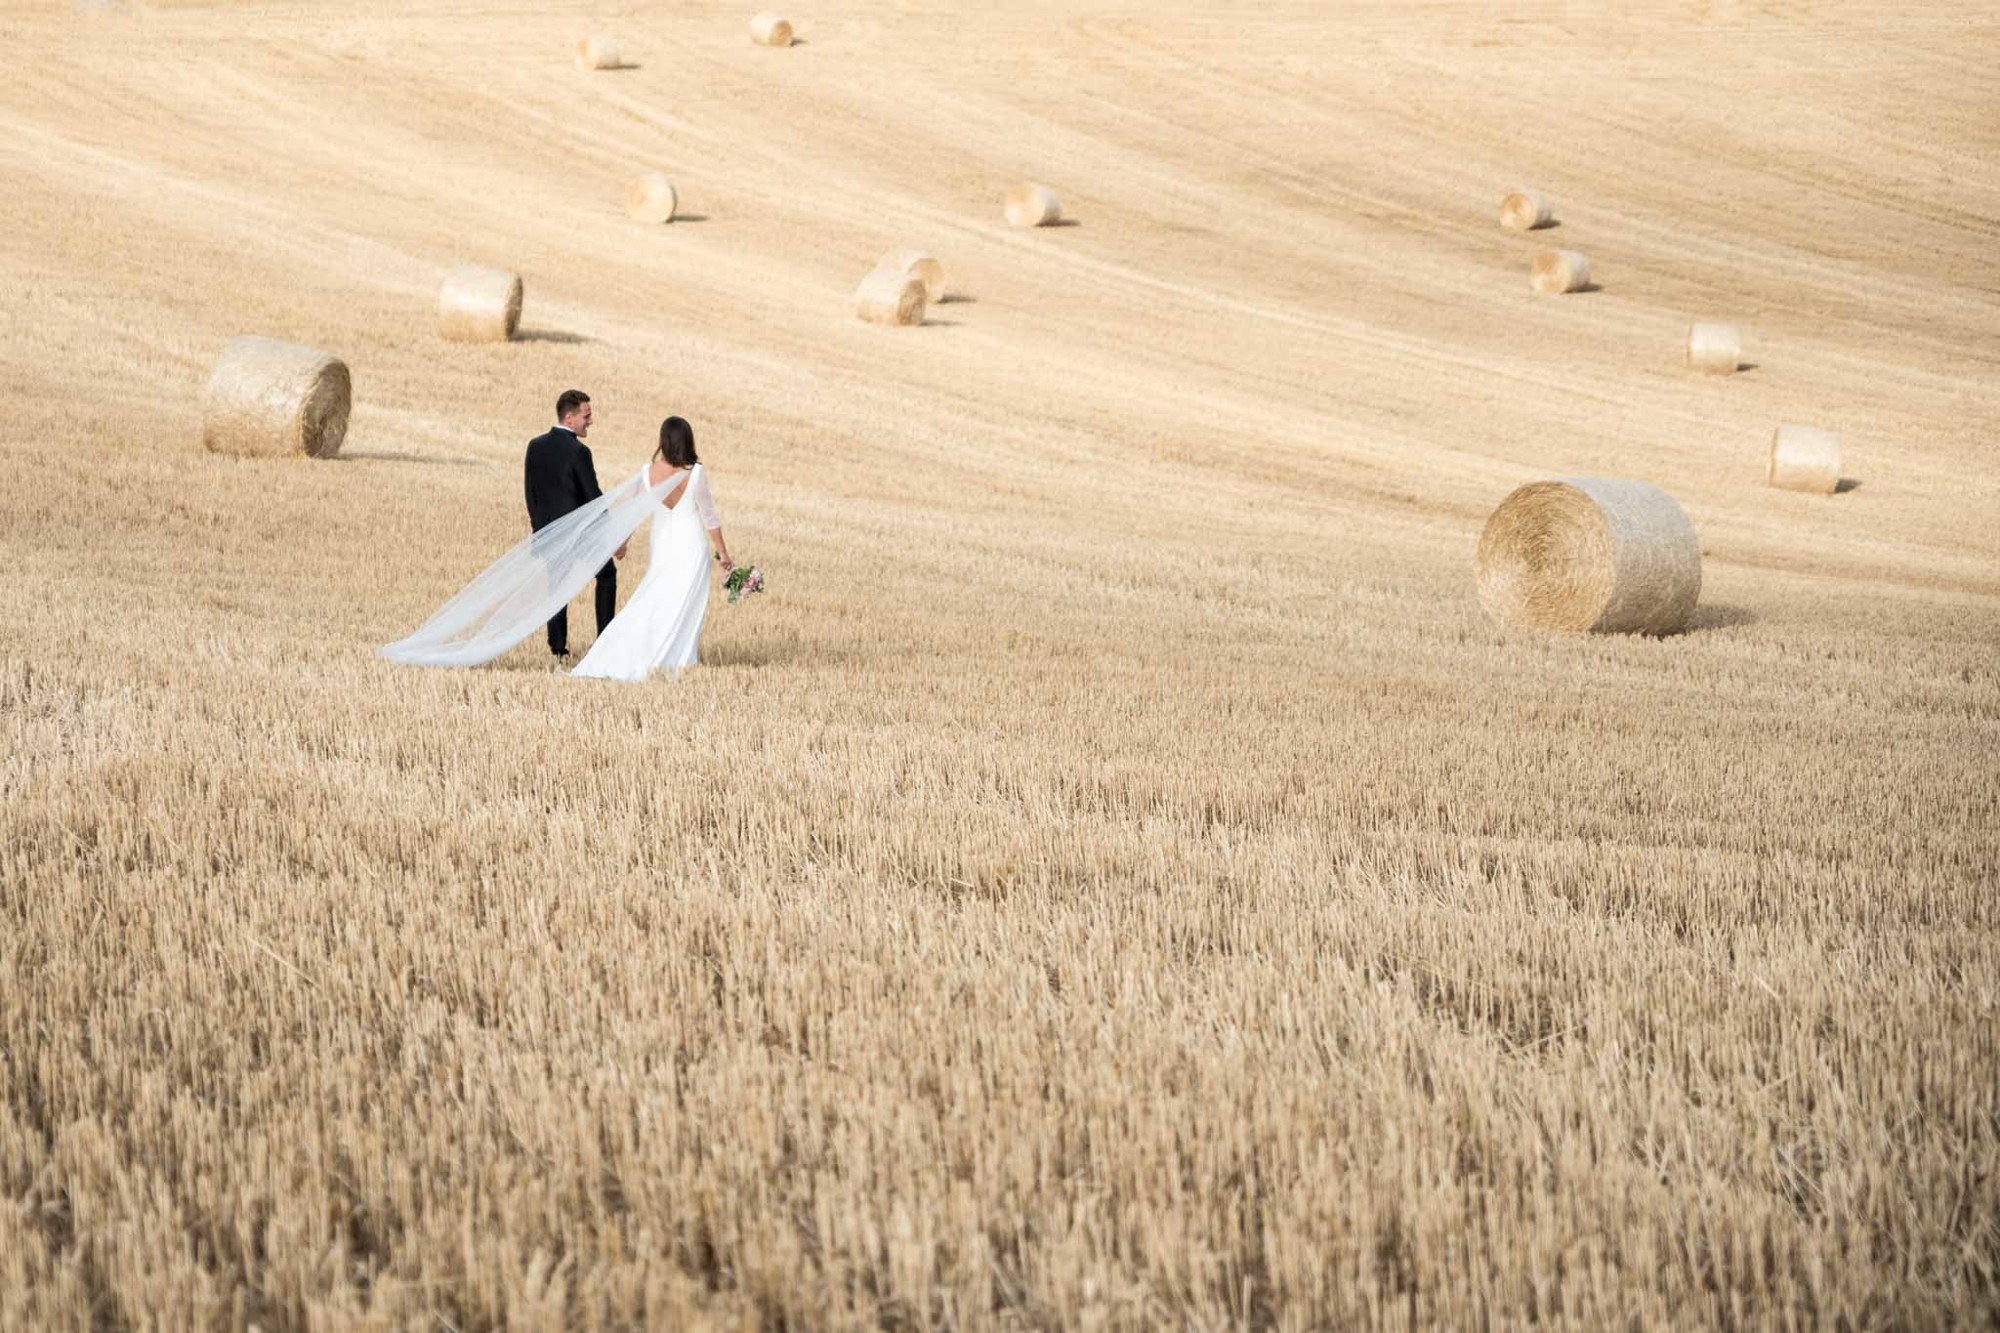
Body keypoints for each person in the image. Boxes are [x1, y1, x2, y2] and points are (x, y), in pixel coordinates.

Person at [571, 417, 731, 681]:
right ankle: (679, 656)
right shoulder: (695, 473)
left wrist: (621, 544)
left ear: (663, 441)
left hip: (662, 544)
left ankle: (631, 650)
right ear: (687, 440)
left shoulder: (647, 473)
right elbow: (709, 516)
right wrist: (723, 554)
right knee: (684, 602)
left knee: (654, 596)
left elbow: (630, 512)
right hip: (690, 544)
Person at [523, 389, 625, 663]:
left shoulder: (535, 446)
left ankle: (557, 647)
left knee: (556, 588)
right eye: (586, 415)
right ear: (569, 418)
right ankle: (605, 638)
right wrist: (614, 535)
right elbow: (594, 497)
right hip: (580, 535)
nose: (590, 421)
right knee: (606, 576)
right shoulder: (579, 451)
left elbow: (530, 495)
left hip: (548, 532)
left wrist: (540, 530)